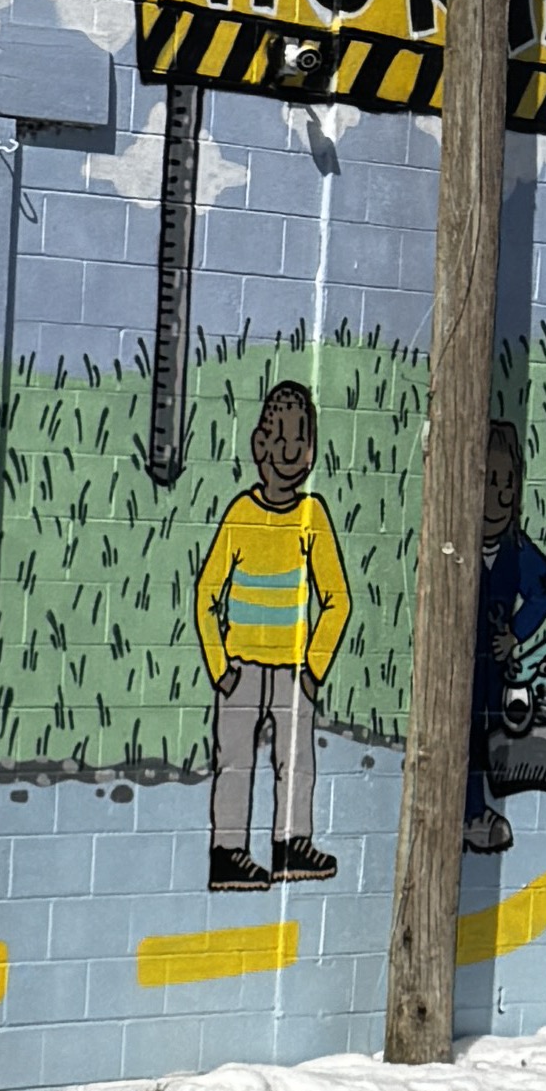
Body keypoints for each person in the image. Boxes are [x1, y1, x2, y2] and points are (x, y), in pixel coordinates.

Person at [194, 377, 350, 889]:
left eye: (299, 440)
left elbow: (337, 599)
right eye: (278, 438)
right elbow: (207, 593)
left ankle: (291, 845)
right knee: (235, 762)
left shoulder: (312, 516)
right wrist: (220, 669)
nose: (289, 451)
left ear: (312, 448)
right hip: (242, 667)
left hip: (292, 670)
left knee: (297, 762)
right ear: (259, 445)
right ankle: (228, 852)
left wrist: (314, 668)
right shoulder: (241, 515)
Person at [471, 420, 546, 855]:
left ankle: (477, 809)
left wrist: (515, 635)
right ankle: (471, 815)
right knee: (466, 739)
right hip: (461, 676)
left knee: (489, 737)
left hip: (495, 672)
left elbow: (545, 589)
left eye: (509, 482)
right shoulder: (459, 544)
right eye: (490, 479)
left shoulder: (515, 549)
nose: (501, 493)